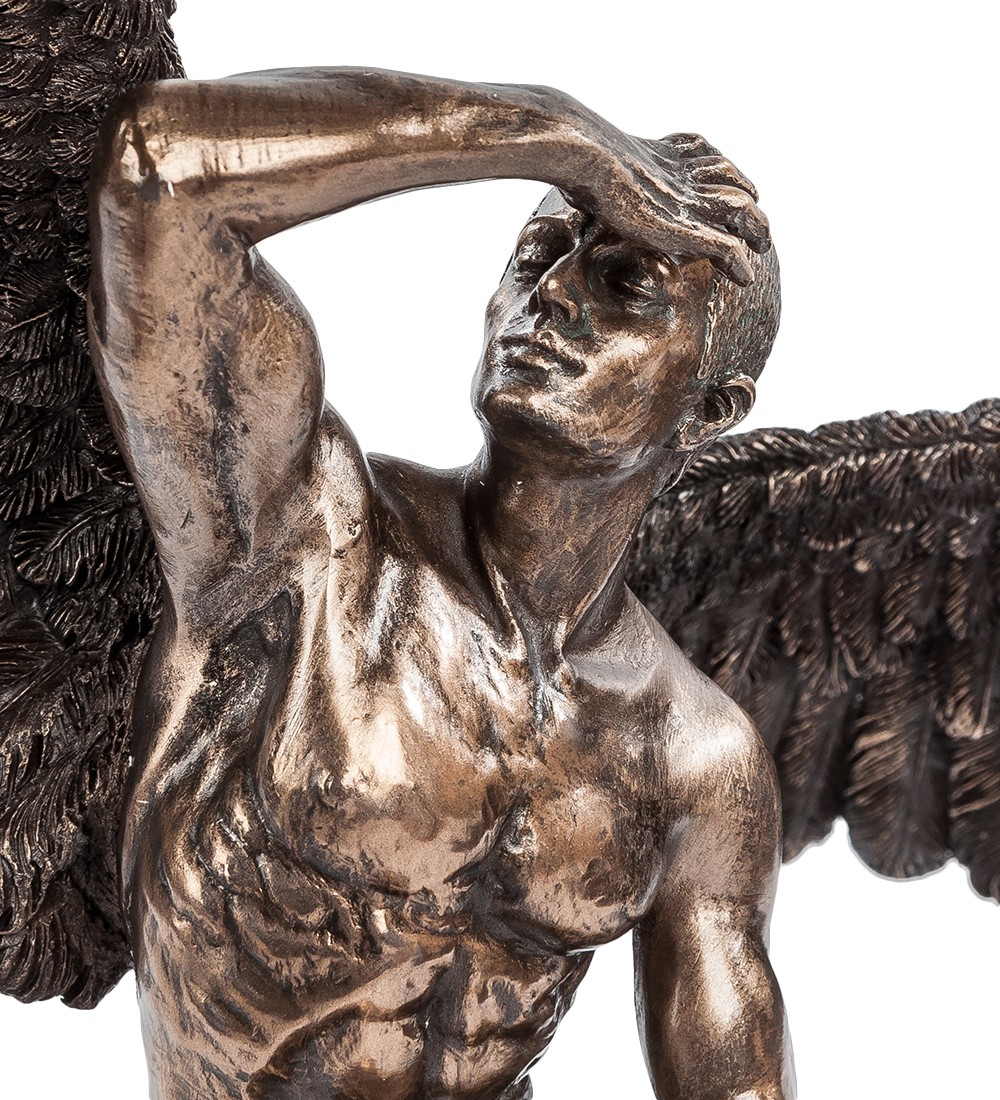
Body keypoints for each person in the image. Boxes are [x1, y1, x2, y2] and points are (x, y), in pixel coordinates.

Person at [89, 67, 791, 1100]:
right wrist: (552, 134)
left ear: (710, 408)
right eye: (537, 258)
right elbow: (160, 174)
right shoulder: (299, 533)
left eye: (626, 285)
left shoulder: (692, 758)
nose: (553, 296)